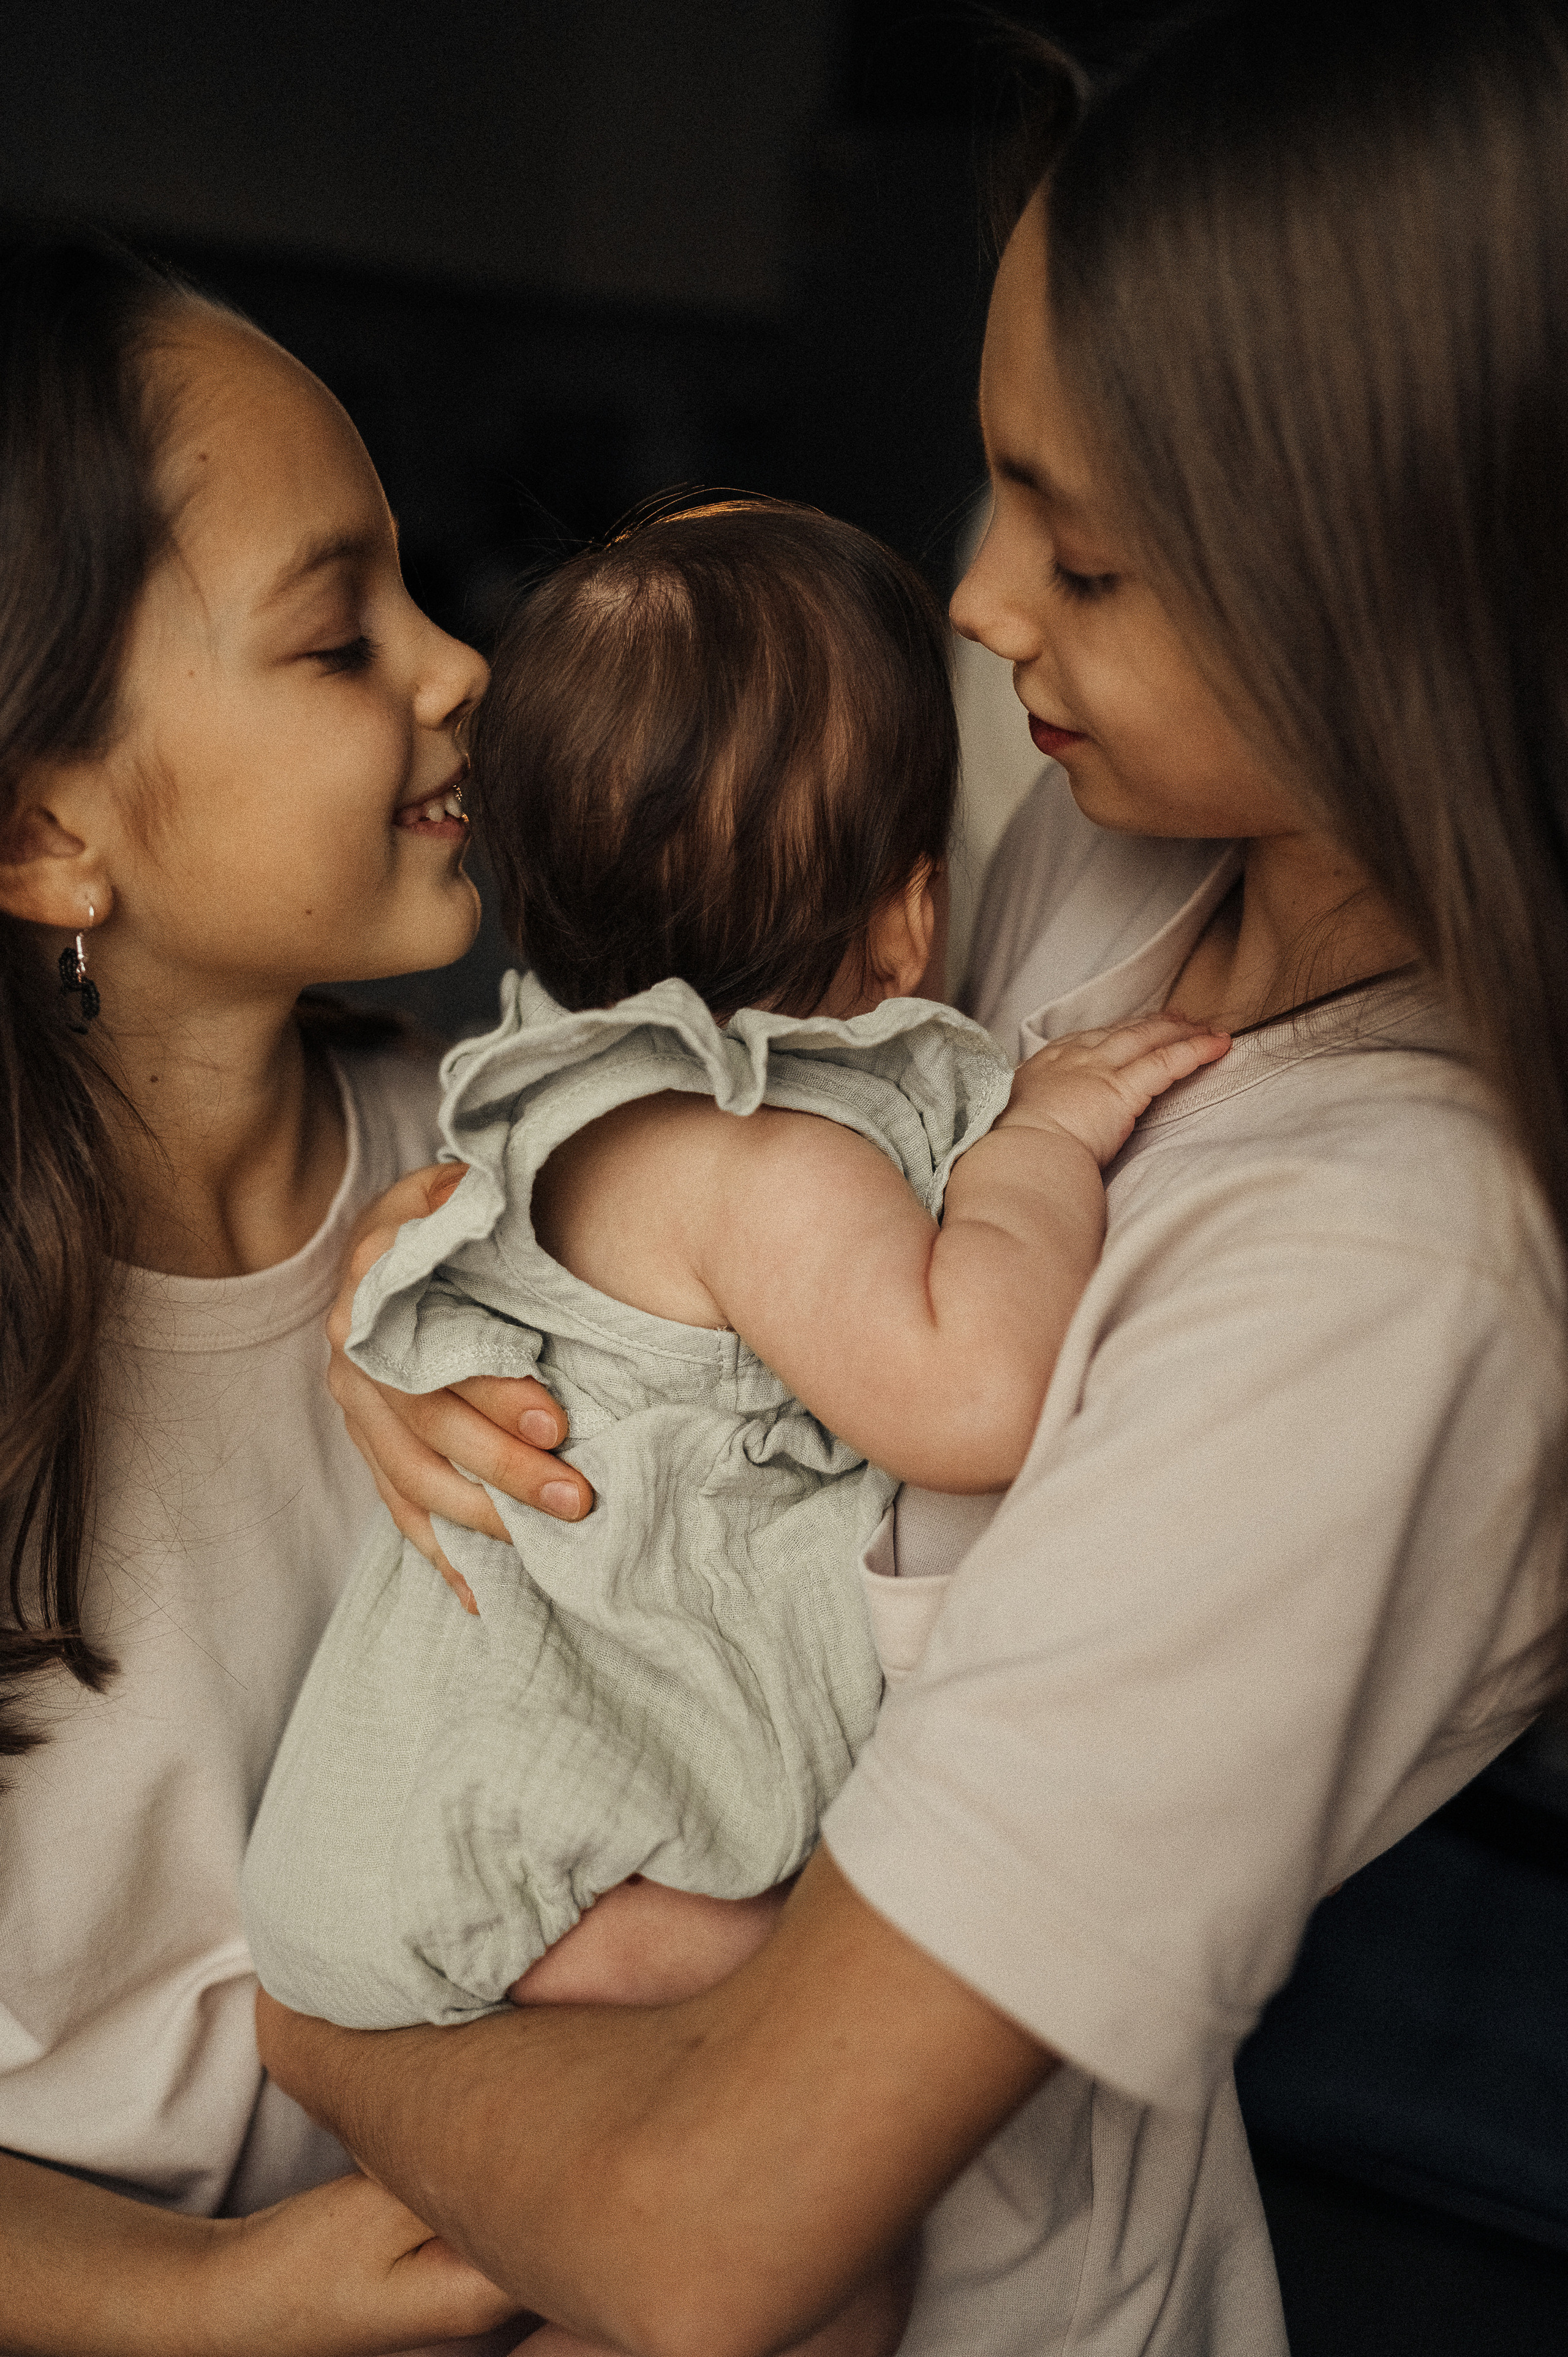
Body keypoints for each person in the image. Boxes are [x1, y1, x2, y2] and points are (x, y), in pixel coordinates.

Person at [259, 5, 1568, 2353]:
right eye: (1002, 489)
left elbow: (710, 2233)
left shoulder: (1398, 1273)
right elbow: (705, 1090)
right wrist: (449, 1302)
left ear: (1395, 584)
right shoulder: (1113, 827)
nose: (982, 604)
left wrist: (331, 2023)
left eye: (1089, 550)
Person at [239, 502, 1225, 2357]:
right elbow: (970, 1393)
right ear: (914, 907)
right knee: (826, 2193)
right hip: (529, 1876)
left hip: (484, 1853)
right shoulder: (758, 1163)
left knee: (778, 2234)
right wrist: (1035, 1150)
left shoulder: (589, 1100)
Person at [0, 235, 580, 2353]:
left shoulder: (515, 1153)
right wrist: (214, 2304)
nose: (463, 668)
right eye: (341, 636)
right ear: (49, 828)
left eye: (418, 588)